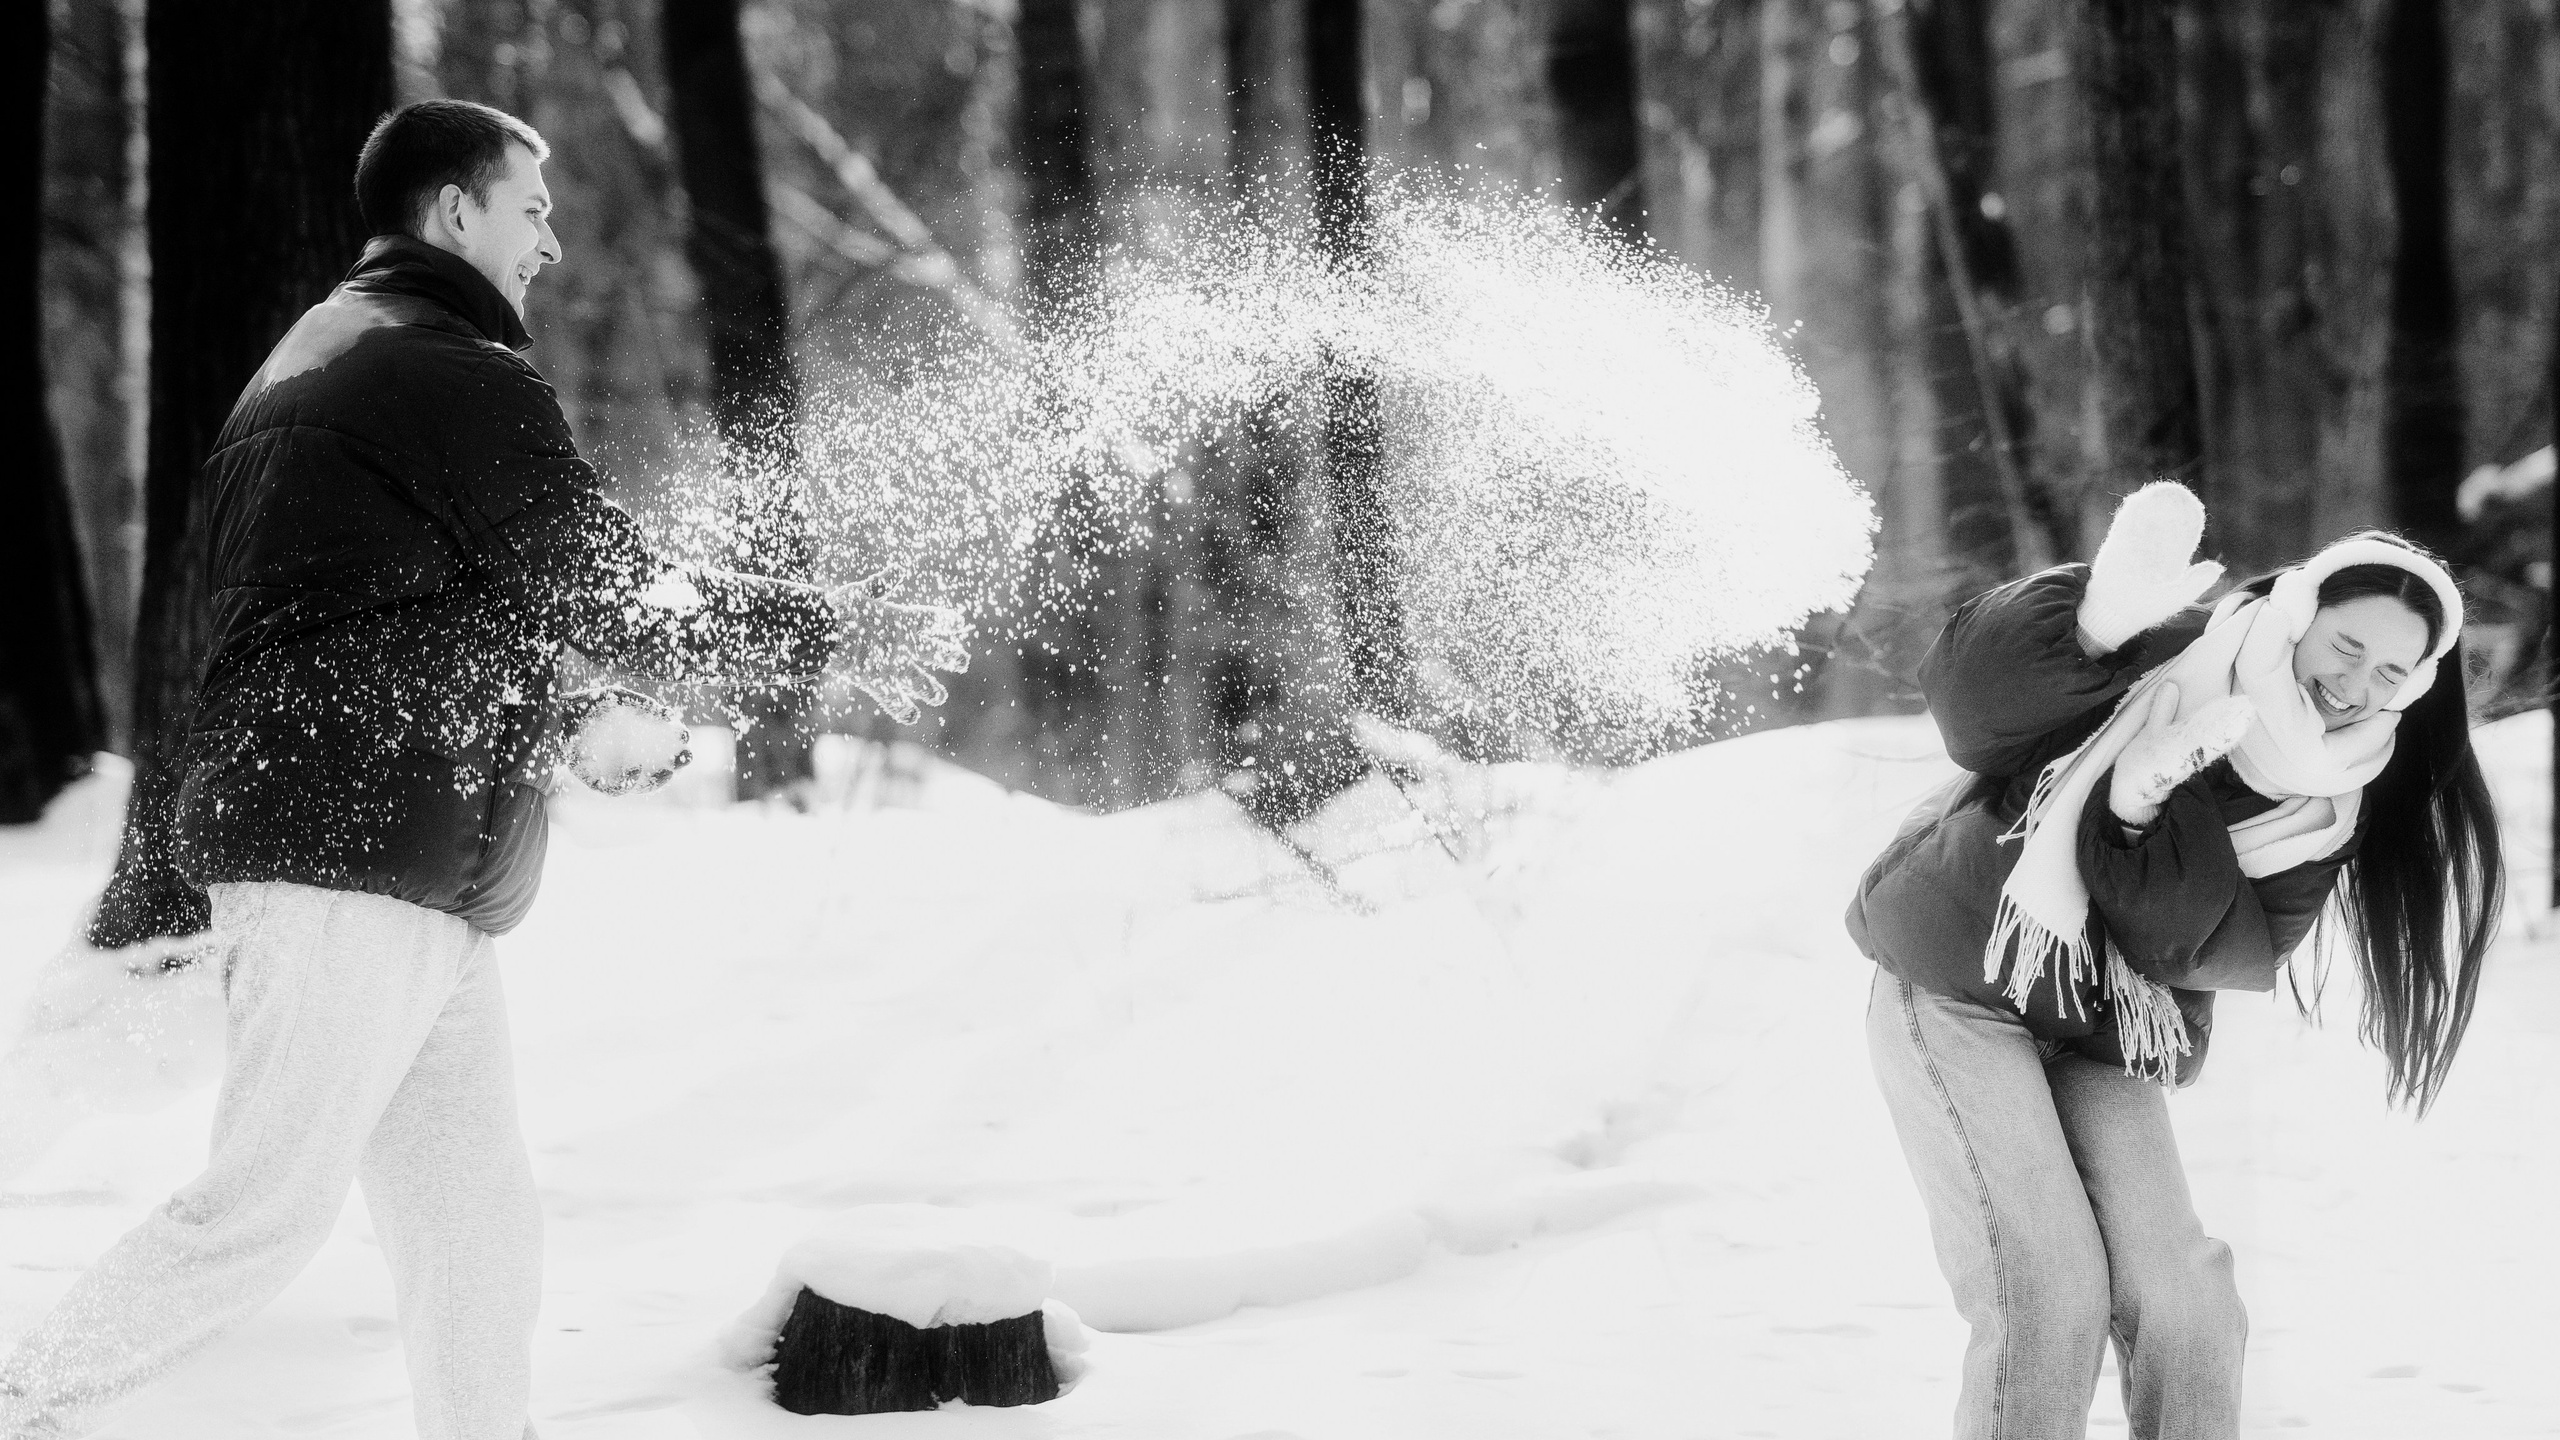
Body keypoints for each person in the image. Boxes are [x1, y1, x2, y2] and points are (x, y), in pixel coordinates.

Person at [0, 100, 966, 1440]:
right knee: (260, 1216)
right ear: (453, 213)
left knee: (473, 1220)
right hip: (351, 852)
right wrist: (830, 630)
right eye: (531, 210)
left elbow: (405, 615)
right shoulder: (437, 366)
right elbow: (607, 589)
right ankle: (24, 1402)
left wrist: (571, 720)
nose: (554, 245)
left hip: (382, 848)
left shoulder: (327, 357)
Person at [1844, 482, 2504, 1440]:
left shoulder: (2325, 809)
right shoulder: (2176, 646)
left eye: (2394, 672)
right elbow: (1969, 711)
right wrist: (2096, 623)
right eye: (2347, 647)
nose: (2359, 686)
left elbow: (2211, 955)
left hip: (2105, 1030)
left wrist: (2141, 815)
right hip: (1962, 983)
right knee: (2049, 1288)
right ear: (2300, 615)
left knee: (2186, 1299)